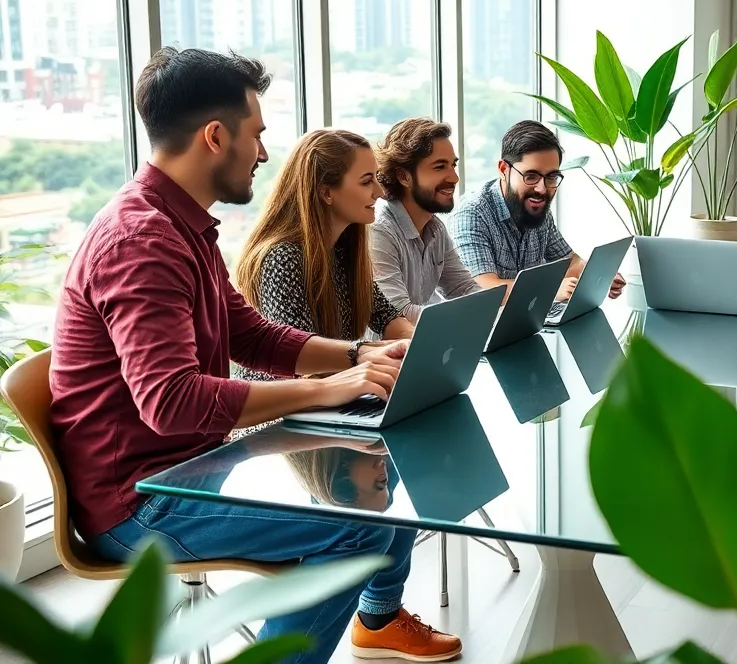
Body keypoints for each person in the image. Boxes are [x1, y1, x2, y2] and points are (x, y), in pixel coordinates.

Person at [49, 47, 462, 663]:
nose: (265, 153)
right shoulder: (142, 241)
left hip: (195, 466)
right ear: (217, 137)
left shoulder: (180, 224)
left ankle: (360, 625)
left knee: (377, 506)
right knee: (365, 528)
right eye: (257, 134)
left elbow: (253, 335)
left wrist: (357, 355)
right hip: (142, 501)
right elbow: (172, 403)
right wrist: (330, 387)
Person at [235, 128, 415, 388]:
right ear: (326, 192)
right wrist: (377, 356)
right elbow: (299, 364)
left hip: (330, 399)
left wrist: (415, 346)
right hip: (283, 417)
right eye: (366, 181)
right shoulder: (283, 257)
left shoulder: (342, 250)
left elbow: (386, 316)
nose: (380, 192)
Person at [450, 119, 624, 302]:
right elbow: (483, 288)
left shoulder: (536, 207)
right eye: (531, 176)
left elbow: (570, 262)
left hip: (526, 323)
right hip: (483, 326)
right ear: (503, 170)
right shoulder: (472, 213)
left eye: (551, 177)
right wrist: (548, 291)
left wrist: (599, 275)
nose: (542, 189)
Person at [370, 117, 482, 321]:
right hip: (388, 349)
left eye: (453, 166)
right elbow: (397, 312)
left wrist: (494, 310)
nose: (454, 178)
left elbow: (462, 287)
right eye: (440, 167)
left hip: (424, 343)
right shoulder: (379, 231)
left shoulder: (435, 227)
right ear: (404, 177)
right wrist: (464, 315)